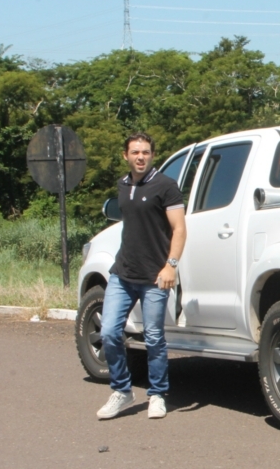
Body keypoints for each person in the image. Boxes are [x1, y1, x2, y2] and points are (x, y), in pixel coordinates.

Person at [97, 132, 186, 420]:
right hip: (122, 274)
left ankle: (157, 394)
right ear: (126, 155)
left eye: (145, 152)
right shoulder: (123, 185)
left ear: (152, 155)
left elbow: (180, 229)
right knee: (109, 332)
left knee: (153, 337)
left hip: (155, 276)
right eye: (135, 152)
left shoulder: (166, 186)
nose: (140, 157)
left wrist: (170, 265)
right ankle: (122, 391)